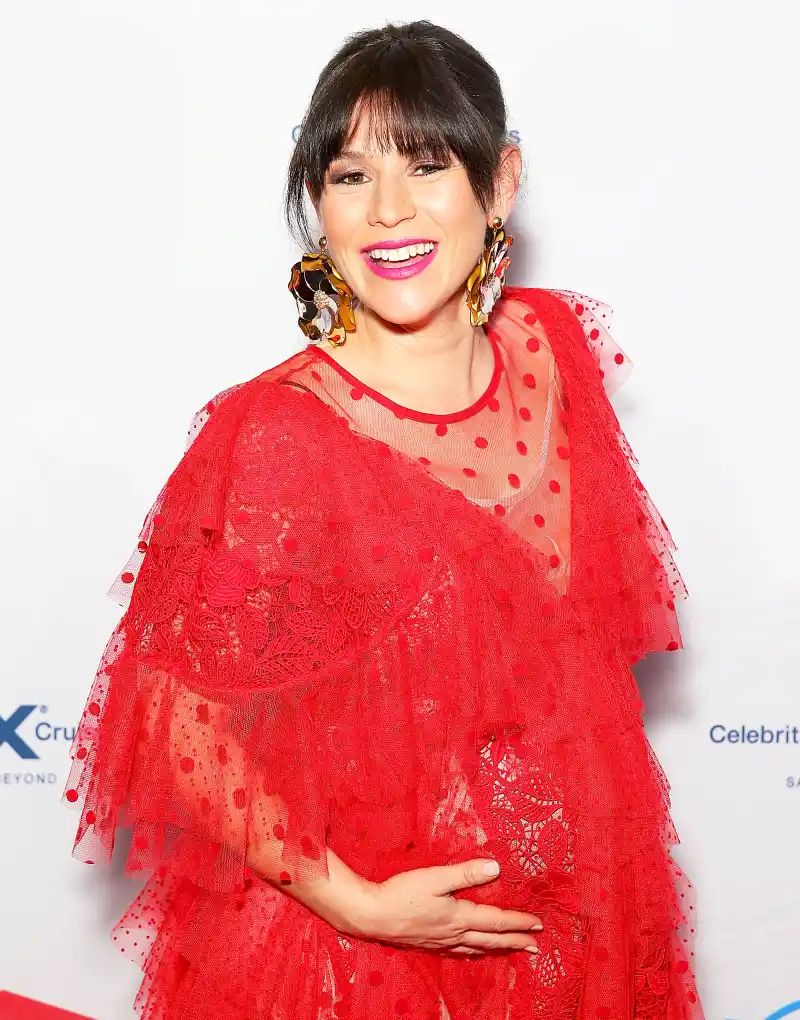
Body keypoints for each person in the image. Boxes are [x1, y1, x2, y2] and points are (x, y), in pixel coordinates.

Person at [63, 19, 704, 1020]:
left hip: (580, 918)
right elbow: (171, 717)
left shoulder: (551, 349)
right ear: (316, 202)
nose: (388, 211)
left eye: (425, 164)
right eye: (349, 176)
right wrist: (353, 903)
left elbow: (576, 658)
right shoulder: (278, 431)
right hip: (370, 957)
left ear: (499, 183)